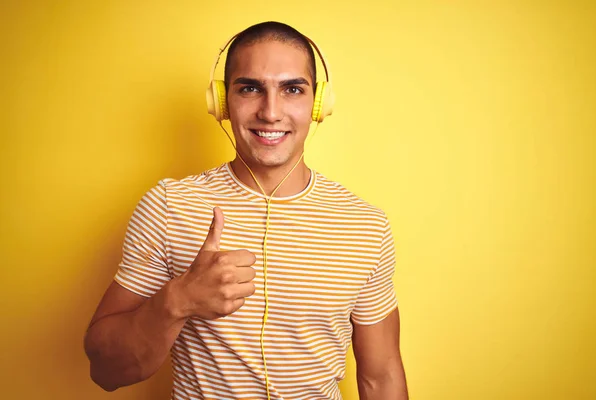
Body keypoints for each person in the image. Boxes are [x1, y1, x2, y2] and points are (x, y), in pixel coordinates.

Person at [84, 21, 409, 400]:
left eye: (292, 89)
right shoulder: (169, 206)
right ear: (221, 103)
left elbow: (381, 377)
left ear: (319, 105)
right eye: (250, 88)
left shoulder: (364, 224)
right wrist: (179, 300)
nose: (270, 112)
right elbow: (105, 371)